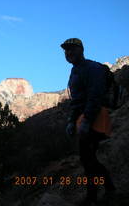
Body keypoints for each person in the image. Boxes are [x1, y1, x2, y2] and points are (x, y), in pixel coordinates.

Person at [61, 38, 116, 206]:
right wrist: (72, 121)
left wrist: (87, 120)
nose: (69, 53)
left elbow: (95, 96)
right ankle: (108, 189)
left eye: (72, 49)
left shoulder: (92, 68)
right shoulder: (75, 71)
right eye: (66, 50)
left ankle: (95, 196)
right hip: (84, 117)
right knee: (88, 158)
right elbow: (76, 101)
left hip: (96, 116)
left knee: (88, 158)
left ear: (81, 50)